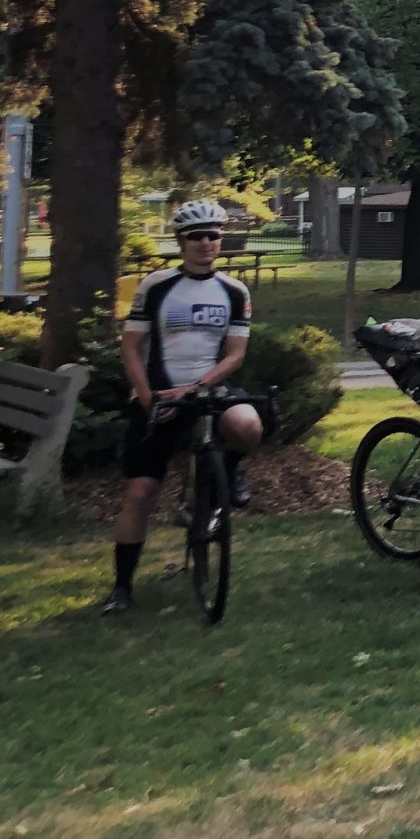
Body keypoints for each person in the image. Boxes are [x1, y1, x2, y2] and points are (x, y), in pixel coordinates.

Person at [102, 200, 262, 615]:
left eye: (213, 235)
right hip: (158, 395)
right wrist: (147, 394)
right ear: (181, 241)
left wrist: (197, 387)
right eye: (196, 236)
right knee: (141, 493)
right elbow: (132, 346)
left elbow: (235, 354)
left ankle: (224, 479)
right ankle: (122, 587)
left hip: (206, 391)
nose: (206, 243)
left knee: (248, 426)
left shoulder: (233, 291)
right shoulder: (155, 286)